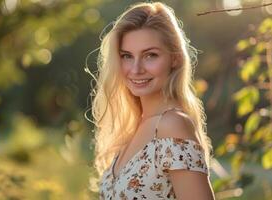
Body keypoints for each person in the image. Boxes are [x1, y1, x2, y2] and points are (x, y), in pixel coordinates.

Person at [88, 2, 215, 199]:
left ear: (175, 58)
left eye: (150, 55)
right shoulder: (133, 127)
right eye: (127, 56)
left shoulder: (172, 124)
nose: (136, 69)